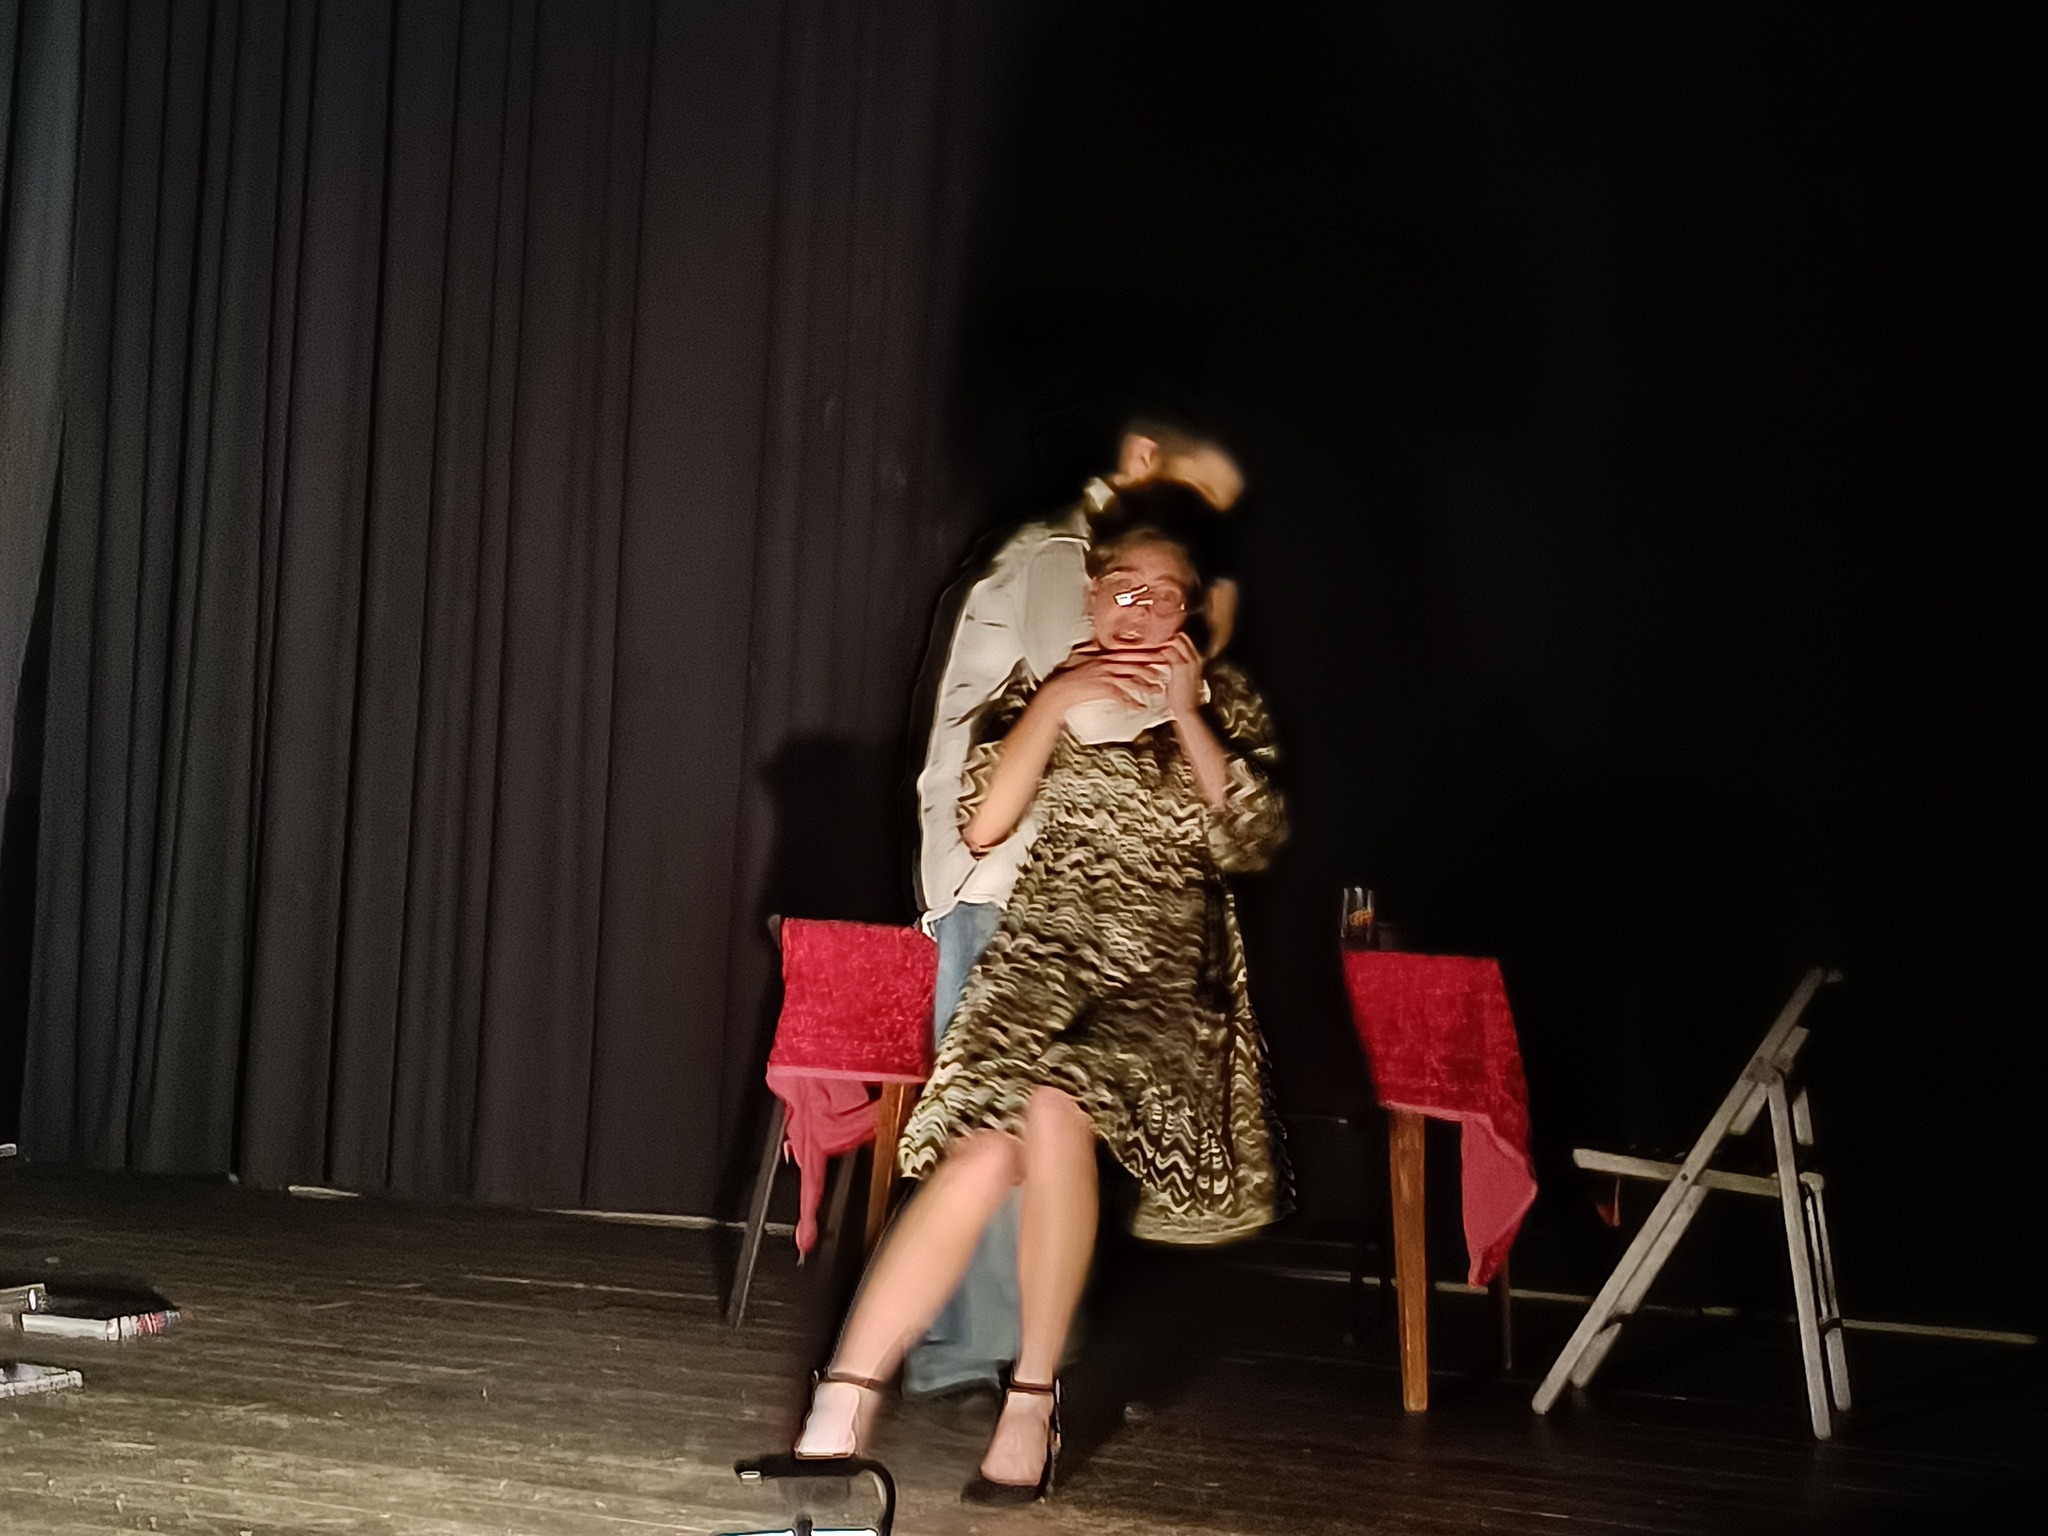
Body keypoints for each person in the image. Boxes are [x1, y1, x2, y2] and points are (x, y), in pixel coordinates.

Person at [795, 488, 1288, 1502]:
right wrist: (1057, 700)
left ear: (1189, 612)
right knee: (983, 1151)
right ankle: (842, 1400)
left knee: (1061, 1104)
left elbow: (1246, 840)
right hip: (1043, 953)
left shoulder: (1225, 699)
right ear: (1092, 596)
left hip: (1161, 964)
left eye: (1162, 596)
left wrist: (1187, 715)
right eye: (1122, 590)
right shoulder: (1044, 692)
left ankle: (1031, 1400)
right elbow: (982, 828)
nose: (1138, 612)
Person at [903, 412, 1244, 1401]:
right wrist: (1210, 637)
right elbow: (1104, 704)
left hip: (1049, 886)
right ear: (1141, 462)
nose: (1197, 519)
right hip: (1002, 879)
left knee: (1035, 1123)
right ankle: (970, 1349)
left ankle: (1003, 1347)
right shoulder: (1061, 558)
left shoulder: (1084, 561)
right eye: (1196, 489)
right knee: (995, 1126)